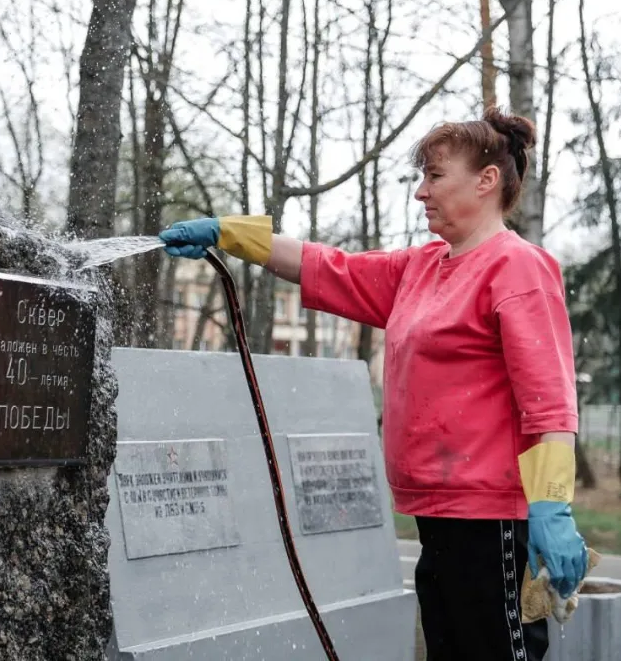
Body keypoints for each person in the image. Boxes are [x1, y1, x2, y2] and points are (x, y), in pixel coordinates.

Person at [158, 107, 589, 661]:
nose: (420, 193)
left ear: (486, 181)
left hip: (491, 524)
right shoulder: (422, 267)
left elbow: (549, 403)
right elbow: (326, 266)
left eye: (435, 176)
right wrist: (229, 234)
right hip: (436, 519)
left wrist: (553, 507)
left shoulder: (518, 268)